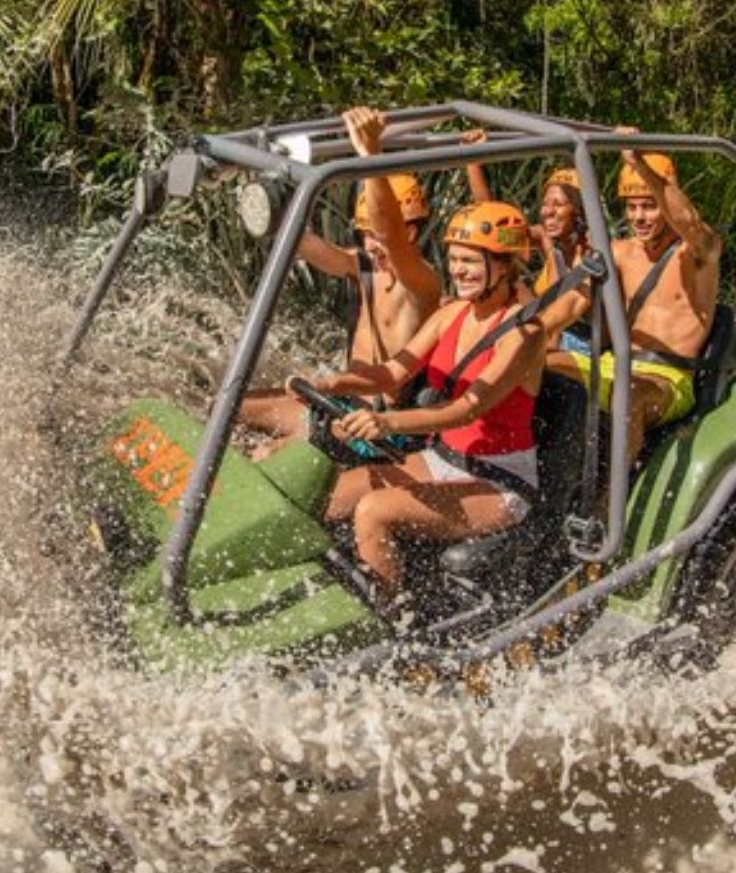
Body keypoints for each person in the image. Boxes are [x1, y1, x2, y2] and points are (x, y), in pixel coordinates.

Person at [302, 201, 546, 604]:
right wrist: (336, 383)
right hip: (444, 459)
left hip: (498, 479)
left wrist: (388, 424)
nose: (458, 271)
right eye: (453, 260)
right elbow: (393, 373)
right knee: (328, 495)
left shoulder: (523, 332)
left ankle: (387, 621)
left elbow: (466, 408)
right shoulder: (450, 313)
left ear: (503, 265)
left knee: (372, 511)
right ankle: (331, 594)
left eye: (470, 261)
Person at [237, 107, 442, 450]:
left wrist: (370, 155)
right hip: (345, 404)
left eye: (377, 234)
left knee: (268, 453)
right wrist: (269, 203)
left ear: (412, 231)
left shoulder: (422, 283)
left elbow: (388, 231)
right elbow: (303, 243)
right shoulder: (360, 265)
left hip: (381, 425)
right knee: (231, 409)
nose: (372, 244)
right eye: (364, 234)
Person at [556, 139, 723, 463]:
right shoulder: (618, 251)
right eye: (631, 207)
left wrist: (640, 164)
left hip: (667, 378)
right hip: (612, 364)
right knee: (540, 366)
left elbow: (690, 224)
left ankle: (610, 505)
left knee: (627, 396)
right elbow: (572, 301)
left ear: (667, 201)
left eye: (649, 205)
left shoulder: (699, 254)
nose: (639, 216)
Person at [466, 142, 593, 366]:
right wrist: (472, 162)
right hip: (547, 334)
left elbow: (571, 307)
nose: (547, 211)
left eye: (558, 204)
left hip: (584, 345)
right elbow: (493, 225)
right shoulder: (546, 239)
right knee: (514, 285)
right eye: (545, 204)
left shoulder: (595, 249)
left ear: (579, 211)